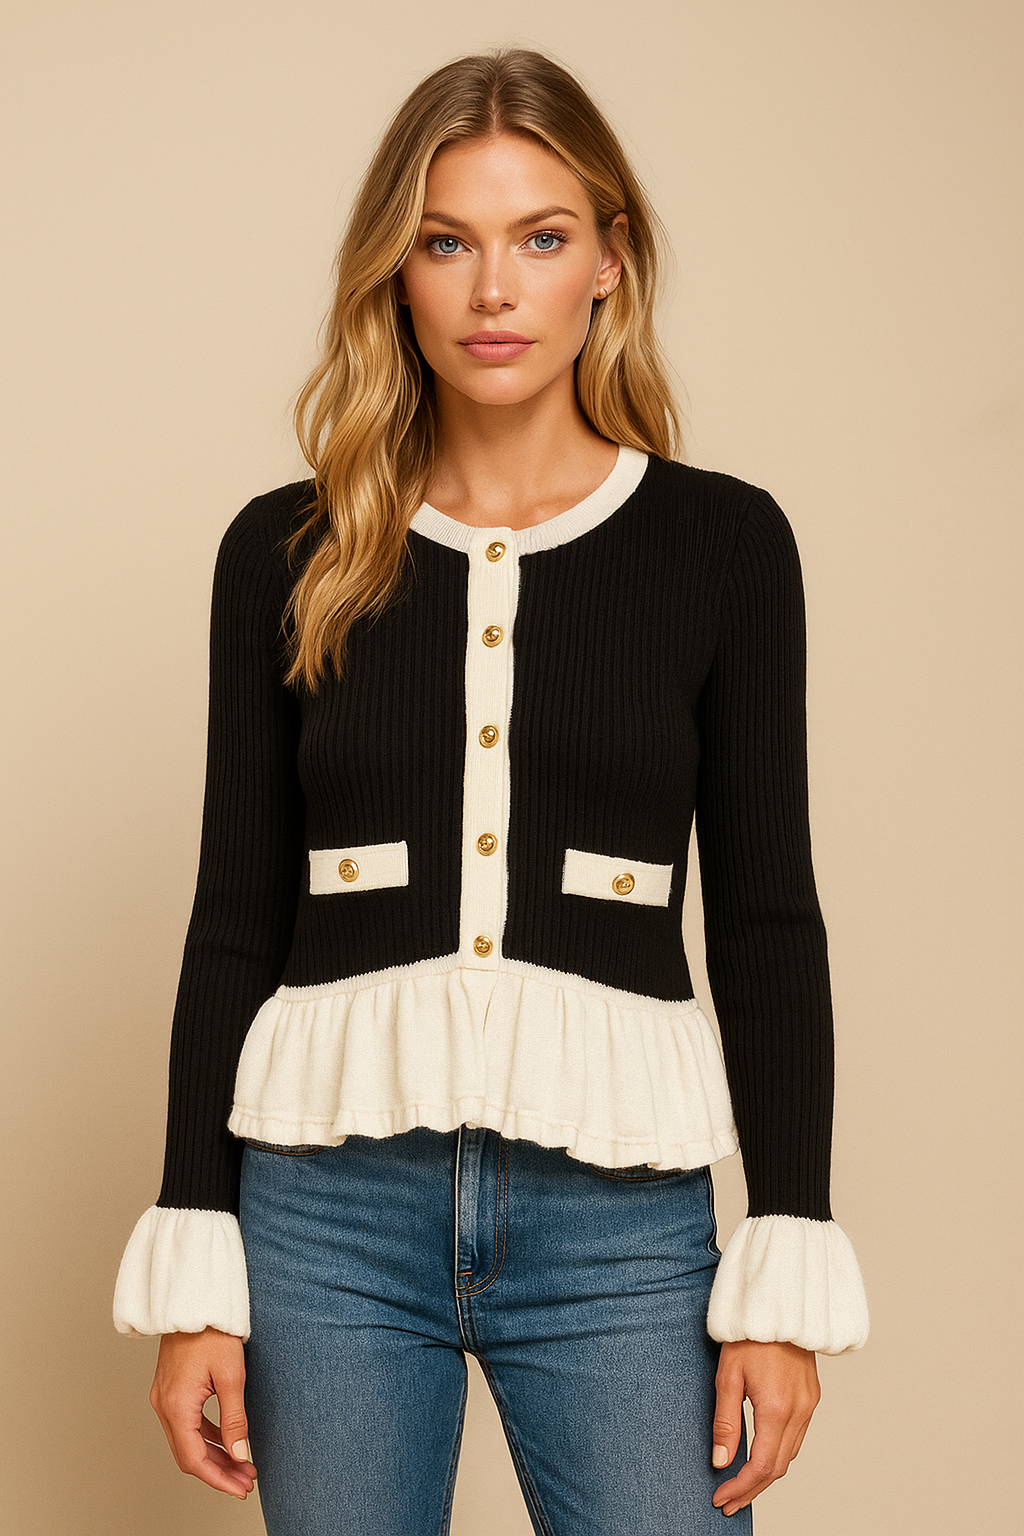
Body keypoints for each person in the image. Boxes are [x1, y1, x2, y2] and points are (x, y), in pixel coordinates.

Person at [113, 47, 868, 1533]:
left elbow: (768, 922)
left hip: (619, 1224)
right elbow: (234, 916)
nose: (495, 290)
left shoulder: (722, 548)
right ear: (395, 273)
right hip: (327, 1221)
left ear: (610, 259)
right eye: (448, 243)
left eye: (542, 237)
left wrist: (784, 1260)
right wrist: (199, 1256)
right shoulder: (283, 551)